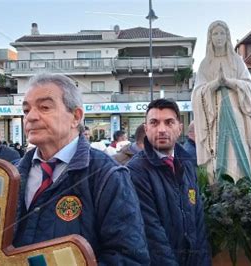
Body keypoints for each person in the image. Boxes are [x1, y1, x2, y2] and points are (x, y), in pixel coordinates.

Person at [13, 73, 149, 265]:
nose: (31, 117)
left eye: (44, 107)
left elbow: (128, 257)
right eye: (26, 110)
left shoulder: (108, 175)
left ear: (76, 117)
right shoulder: (11, 176)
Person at [127, 98, 211, 266]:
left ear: (179, 128)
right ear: (146, 129)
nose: (162, 129)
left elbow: (198, 223)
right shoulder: (135, 171)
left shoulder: (187, 165)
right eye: (154, 123)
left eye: (169, 122)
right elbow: (151, 234)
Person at [192, 20, 251, 183]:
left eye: (222, 33)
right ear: (210, 37)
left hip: (238, 114)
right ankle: (219, 187)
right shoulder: (205, 64)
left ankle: (242, 183)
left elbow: (249, 85)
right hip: (214, 119)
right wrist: (215, 84)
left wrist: (230, 82)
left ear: (227, 36)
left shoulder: (237, 61)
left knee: (238, 150)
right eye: (215, 33)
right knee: (217, 150)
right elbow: (197, 92)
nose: (219, 37)